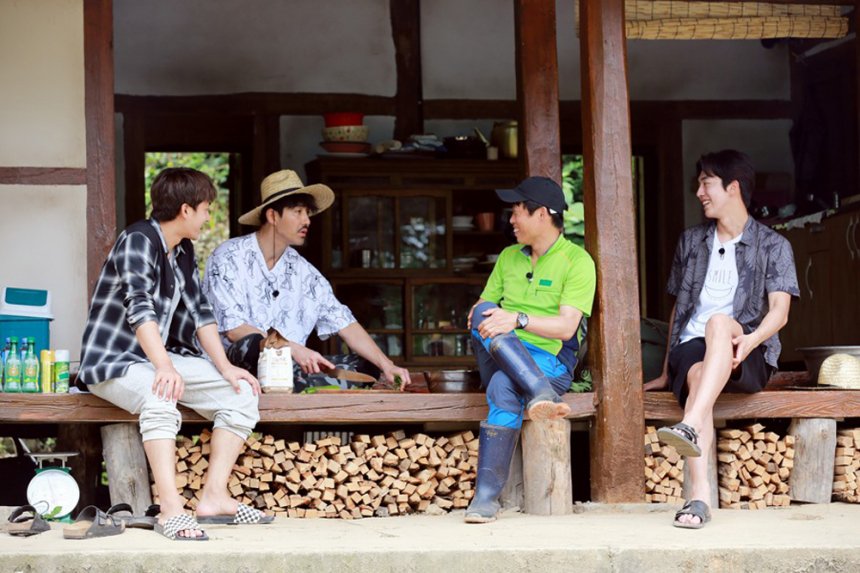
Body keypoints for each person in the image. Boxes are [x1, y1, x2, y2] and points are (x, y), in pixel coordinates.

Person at [78, 168, 266, 541]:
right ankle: (171, 509)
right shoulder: (138, 240)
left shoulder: (182, 251)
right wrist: (164, 367)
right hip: (114, 360)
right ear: (185, 209)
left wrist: (227, 368)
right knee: (162, 395)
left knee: (241, 395)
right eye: (206, 208)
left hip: (156, 358)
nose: (209, 216)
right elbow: (139, 307)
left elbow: (201, 313)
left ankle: (213, 497)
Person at [645, 149, 799, 529]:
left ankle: (691, 424)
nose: (699, 191)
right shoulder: (691, 242)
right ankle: (698, 499)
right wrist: (667, 371)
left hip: (749, 349)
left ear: (733, 188)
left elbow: (779, 313)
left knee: (719, 323)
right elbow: (678, 310)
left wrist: (749, 340)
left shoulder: (773, 245)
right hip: (692, 347)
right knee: (698, 373)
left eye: (705, 182)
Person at [463, 176, 596, 523]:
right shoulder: (509, 257)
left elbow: (567, 327)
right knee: (480, 313)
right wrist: (488, 315)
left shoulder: (577, 262)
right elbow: (482, 307)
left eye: (517, 212)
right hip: (500, 353)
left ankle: (486, 497)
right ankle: (537, 391)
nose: (511, 220)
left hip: (549, 359)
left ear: (542, 215)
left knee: (502, 388)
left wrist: (517, 319)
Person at [203, 169, 411, 389]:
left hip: (293, 367)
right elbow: (234, 329)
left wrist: (387, 365)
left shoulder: (305, 272)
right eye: (298, 212)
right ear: (273, 216)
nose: (307, 221)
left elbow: (344, 322)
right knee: (253, 344)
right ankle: (309, 384)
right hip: (237, 365)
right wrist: (292, 349)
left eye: (308, 212)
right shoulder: (228, 257)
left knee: (367, 367)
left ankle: (304, 382)